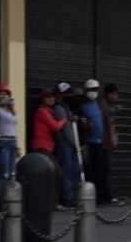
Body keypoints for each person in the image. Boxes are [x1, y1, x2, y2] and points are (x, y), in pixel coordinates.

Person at [78, 79, 123, 206]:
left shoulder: (101, 103)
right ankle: (98, 198)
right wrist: (85, 122)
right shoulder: (83, 105)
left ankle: (108, 196)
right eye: (90, 90)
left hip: (104, 142)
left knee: (106, 170)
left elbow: (109, 115)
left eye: (95, 90)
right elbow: (81, 117)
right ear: (86, 91)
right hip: (92, 143)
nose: (93, 92)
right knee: (95, 171)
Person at [53, 82, 83, 210]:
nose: (68, 95)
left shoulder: (66, 107)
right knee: (67, 170)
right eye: (65, 93)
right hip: (66, 143)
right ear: (59, 94)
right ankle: (68, 198)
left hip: (71, 144)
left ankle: (76, 197)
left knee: (75, 170)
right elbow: (66, 129)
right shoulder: (59, 108)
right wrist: (76, 144)